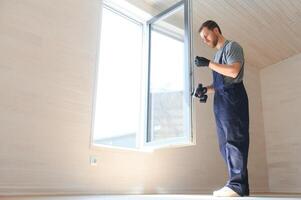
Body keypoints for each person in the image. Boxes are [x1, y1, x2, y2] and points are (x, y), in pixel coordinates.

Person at [193, 20, 250, 197]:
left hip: (233, 98)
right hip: (221, 100)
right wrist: (206, 90)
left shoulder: (232, 47)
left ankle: (236, 185)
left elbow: (233, 71)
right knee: (224, 145)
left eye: (206, 35)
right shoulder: (218, 57)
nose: (205, 40)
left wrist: (208, 63)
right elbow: (220, 84)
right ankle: (239, 186)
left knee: (235, 141)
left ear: (216, 30)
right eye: (202, 38)